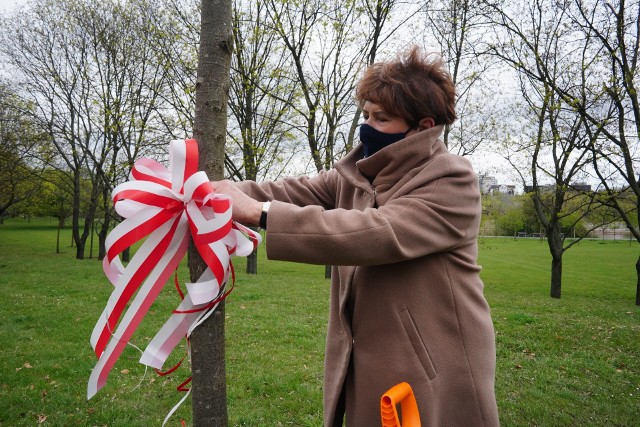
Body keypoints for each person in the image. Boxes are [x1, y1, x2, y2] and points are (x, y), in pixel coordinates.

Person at [212, 46, 499, 427]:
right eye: (366, 115)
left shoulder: (452, 181)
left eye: (382, 118)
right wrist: (216, 194)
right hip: (370, 354)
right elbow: (291, 191)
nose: (367, 127)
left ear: (424, 127)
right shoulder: (357, 173)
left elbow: (377, 233)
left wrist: (259, 214)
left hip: (434, 362)